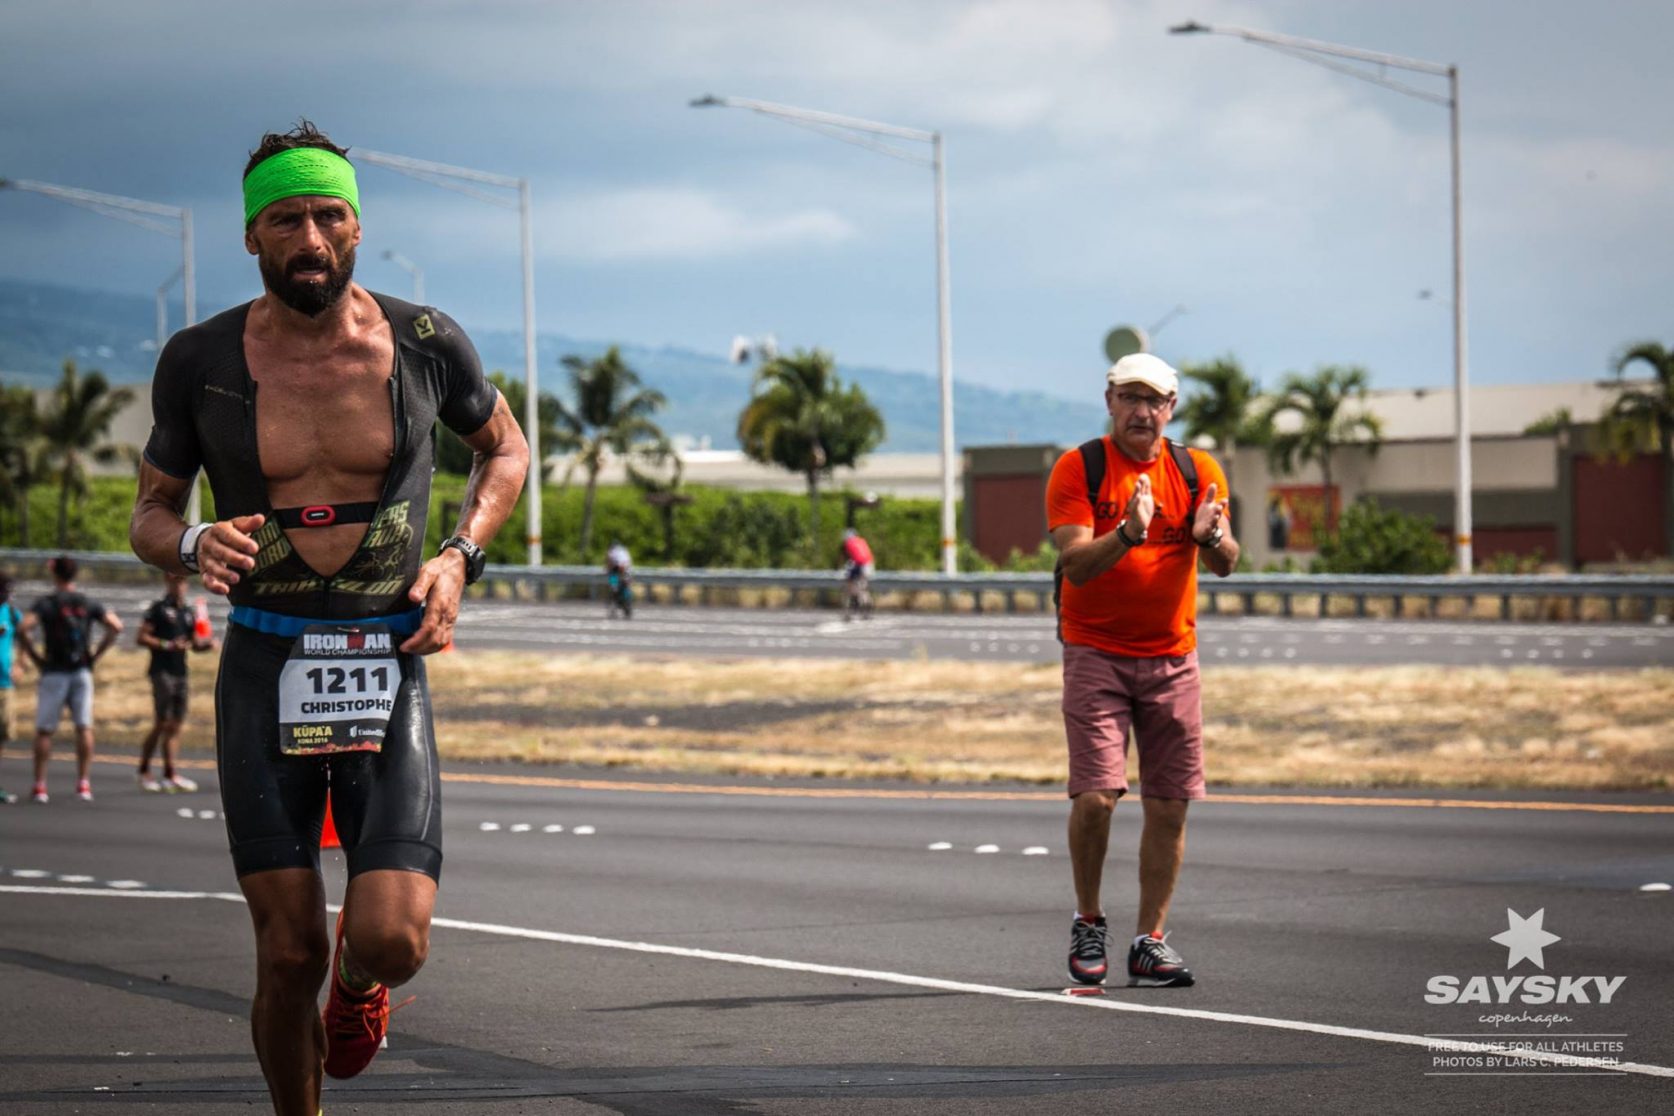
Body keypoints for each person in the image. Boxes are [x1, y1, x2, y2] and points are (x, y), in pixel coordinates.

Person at [128, 121, 528, 1116]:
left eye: (329, 214)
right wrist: (186, 545)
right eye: (286, 219)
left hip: (386, 667)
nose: (311, 237)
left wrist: (456, 557)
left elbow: (507, 452)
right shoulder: (200, 359)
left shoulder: (426, 341)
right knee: (288, 947)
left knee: (390, 940)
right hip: (264, 667)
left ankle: (360, 996)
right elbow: (150, 511)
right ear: (253, 236)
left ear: (357, 224)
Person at [1046, 352, 1238, 989]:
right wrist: (1128, 532)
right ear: (1109, 401)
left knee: (1170, 804)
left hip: (1172, 657)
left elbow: (1227, 563)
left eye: (1154, 400)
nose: (1142, 411)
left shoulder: (1197, 469)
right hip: (1095, 651)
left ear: (1171, 409)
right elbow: (1075, 564)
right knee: (1098, 797)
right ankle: (1089, 919)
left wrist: (1210, 537)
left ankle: (1150, 941)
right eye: (1130, 397)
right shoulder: (1082, 468)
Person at [18, 556, 124, 803]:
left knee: (45, 729)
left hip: (54, 670)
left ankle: (40, 785)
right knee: (84, 726)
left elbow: (24, 628)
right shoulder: (85, 602)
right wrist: (96, 654)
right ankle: (83, 783)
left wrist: (34, 656)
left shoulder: (48, 603)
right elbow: (116, 626)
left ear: (55, 575)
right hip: (81, 669)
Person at [136, 572, 213, 792]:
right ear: (167, 582)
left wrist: (206, 645)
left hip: (181, 671)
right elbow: (141, 637)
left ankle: (170, 773)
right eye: (174, 581)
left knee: (176, 724)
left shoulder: (187, 613)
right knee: (162, 722)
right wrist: (168, 645)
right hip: (161, 671)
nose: (178, 585)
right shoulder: (158, 609)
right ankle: (144, 769)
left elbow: (193, 644)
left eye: (181, 581)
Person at [0, 573, 23, 804]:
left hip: (4, 684)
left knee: (2, 735)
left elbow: (25, 638)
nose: (7, 595)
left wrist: (21, 663)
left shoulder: (13, 613)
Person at [839, 527, 874, 620]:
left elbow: (850, 558)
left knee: (849, 588)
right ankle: (866, 609)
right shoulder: (862, 541)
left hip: (859, 564)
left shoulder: (849, 543)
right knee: (863, 588)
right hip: (869, 564)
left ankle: (848, 612)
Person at [605, 540, 632, 619]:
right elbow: (627, 564)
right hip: (626, 571)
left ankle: (616, 607)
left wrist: (608, 570)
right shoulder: (625, 551)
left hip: (618, 571)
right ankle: (627, 605)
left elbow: (609, 563)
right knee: (625, 587)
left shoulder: (612, 551)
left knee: (613, 588)